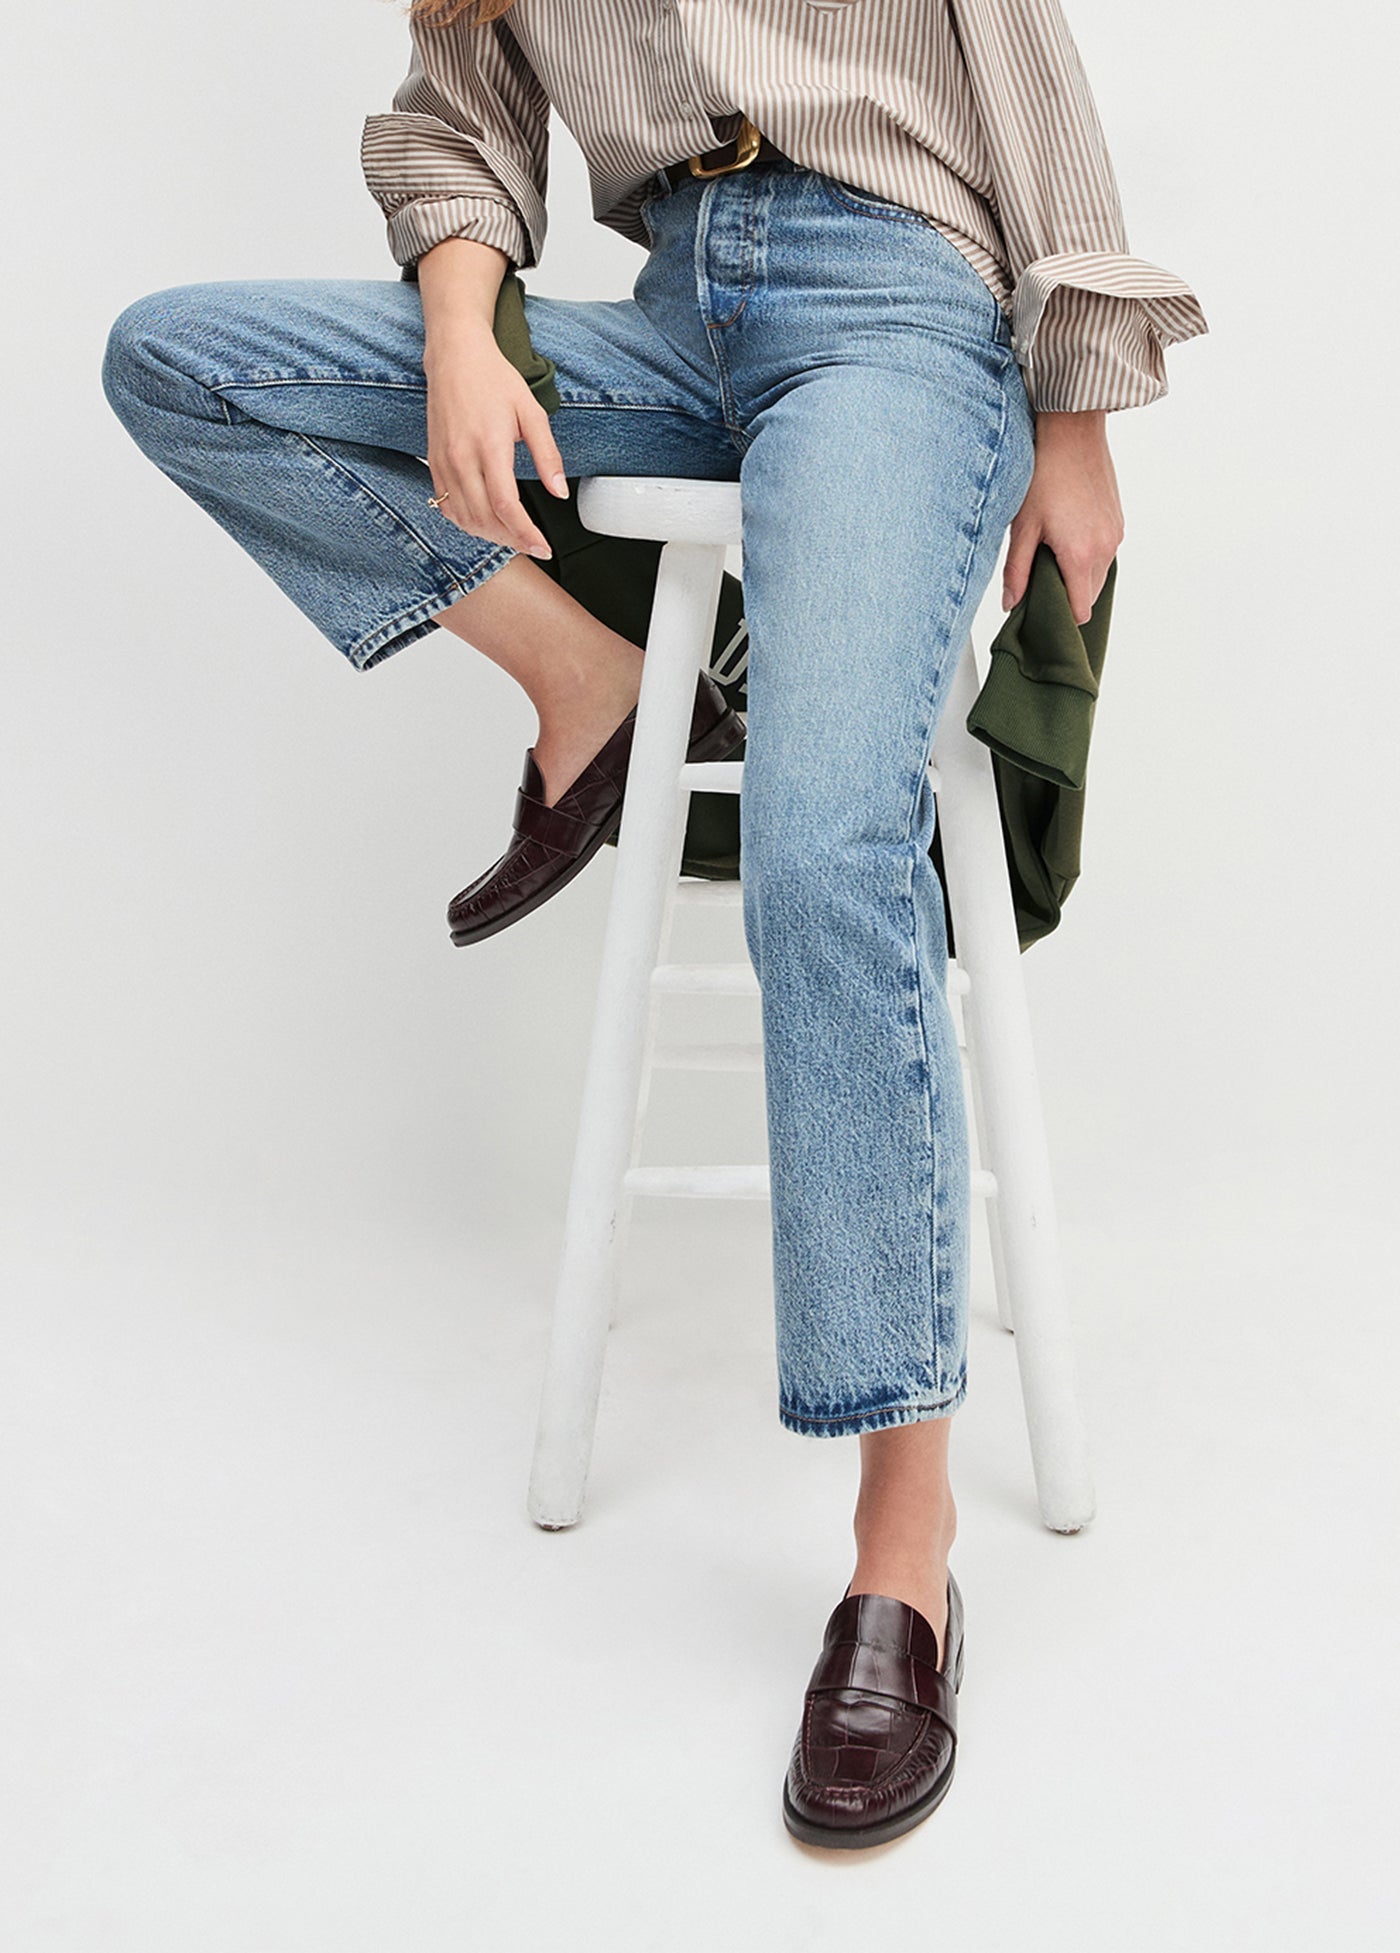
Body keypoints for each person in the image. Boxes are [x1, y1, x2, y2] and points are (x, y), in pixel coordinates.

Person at [101, 0, 1207, 1848]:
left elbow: (1019, 59)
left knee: (822, 848)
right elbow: (459, 124)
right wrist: (462, 333)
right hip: (676, 311)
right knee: (183, 361)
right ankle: (588, 685)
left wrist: (1076, 410)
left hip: (896, 314)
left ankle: (904, 1551)